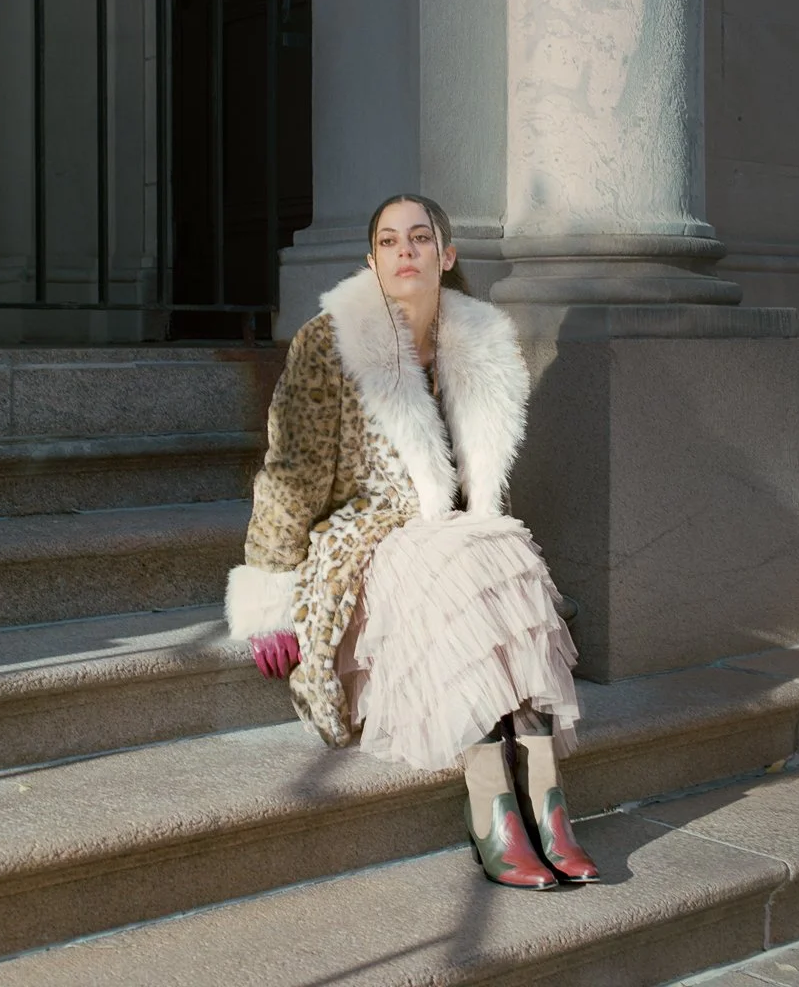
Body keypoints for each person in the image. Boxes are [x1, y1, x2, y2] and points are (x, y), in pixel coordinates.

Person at [226, 194, 598, 890]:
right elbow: (291, 475)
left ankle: (547, 806)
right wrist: (266, 591)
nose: (405, 251)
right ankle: (495, 807)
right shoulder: (328, 342)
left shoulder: (482, 343)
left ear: (445, 256)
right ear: (371, 261)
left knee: (496, 541)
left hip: (453, 541)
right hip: (365, 538)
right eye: (389, 241)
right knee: (458, 551)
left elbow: (486, 487)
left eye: (420, 239)